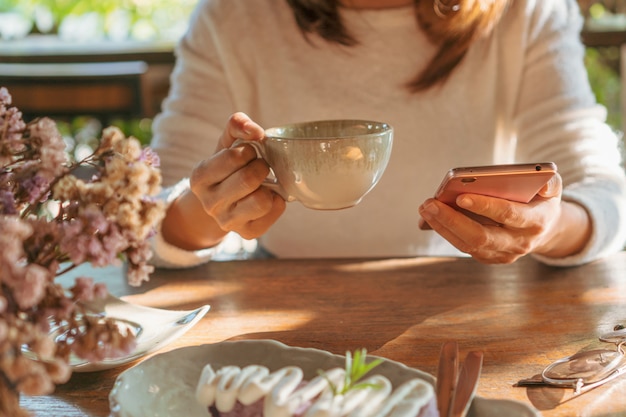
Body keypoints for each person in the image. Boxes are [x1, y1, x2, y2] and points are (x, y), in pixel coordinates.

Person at [149, 0, 626, 268]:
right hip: (281, 332)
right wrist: (210, 212)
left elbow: (604, 194)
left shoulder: (528, 12)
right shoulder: (232, 17)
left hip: (468, 316)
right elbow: (149, 212)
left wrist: (549, 228)